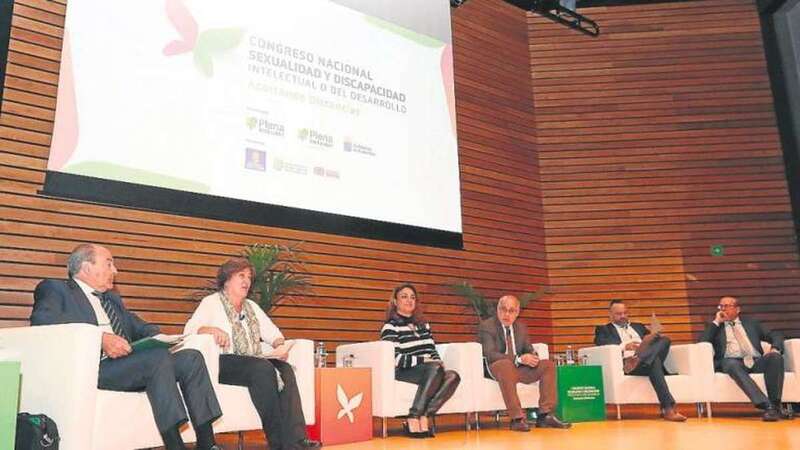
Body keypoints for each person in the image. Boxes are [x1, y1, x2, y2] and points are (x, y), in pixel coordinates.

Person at [30, 244, 223, 450]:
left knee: (191, 357)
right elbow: (43, 322)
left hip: (129, 364)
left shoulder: (111, 299)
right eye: (109, 264)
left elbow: (138, 326)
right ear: (86, 267)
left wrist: (163, 338)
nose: (115, 270)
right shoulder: (55, 289)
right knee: (157, 359)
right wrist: (100, 338)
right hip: (94, 368)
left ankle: (207, 444)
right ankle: (175, 445)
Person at [184, 258, 321, 450]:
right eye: (241, 276)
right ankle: (278, 443)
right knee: (262, 369)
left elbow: (273, 334)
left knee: (285, 369)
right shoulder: (211, 303)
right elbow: (189, 331)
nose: (246, 281)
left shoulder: (251, 307)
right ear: (227, 280)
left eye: (249, 277)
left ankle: (297, 440)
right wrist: (210, 329)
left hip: (252, 361)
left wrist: (280, 346)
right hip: (222, 361)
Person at [379, 283, 461, 438]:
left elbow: (432, 350)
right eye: (404, 297)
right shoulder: (390, 327)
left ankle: (425, 415)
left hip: (428, 369)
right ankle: (413, 416)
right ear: (395, 302)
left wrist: (436, 360)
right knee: (434, 368)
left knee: (453, 376)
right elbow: (395, 359)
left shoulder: (423, 325)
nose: (409, 300)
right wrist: (424, 360)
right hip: (403, 370)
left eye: (412, 297)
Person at [478, 295, 571, 431]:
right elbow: (490, 354)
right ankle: (517, 418)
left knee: (548, 365)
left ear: (517, 313)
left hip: (518, 369)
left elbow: (527, 349)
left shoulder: (520, 328)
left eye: (511, 311)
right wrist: (519, 359)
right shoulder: (487, 326)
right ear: (497, 309)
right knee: (505, 365)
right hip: (497, 368)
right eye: (503, 309)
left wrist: (532, 356)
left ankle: (545, 415)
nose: (506, 314)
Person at [699, 296, 791, 421]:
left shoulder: (751, 323)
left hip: (756, 361)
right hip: (732, 362)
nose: (723, 309)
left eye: (727, 306)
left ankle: (775, 405)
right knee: (731, 364)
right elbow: (702, 343)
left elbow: (775, 334)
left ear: (738, 309)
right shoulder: (715, 327)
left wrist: (775, 348)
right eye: (721, 306)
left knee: (775, 357)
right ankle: (766, 405)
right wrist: (716, 322)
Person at [593, 300, 686, 421]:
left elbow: (654, 341)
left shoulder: (639, 327)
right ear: (610, 314)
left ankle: (640, 357)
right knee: (654, 362)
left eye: (625, 313)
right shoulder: (603, 329)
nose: (623, 316)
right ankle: (668, 409)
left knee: (665, 340)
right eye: (619, 314)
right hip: (629, 365)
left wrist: (648, 342)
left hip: (642, 360)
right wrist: (624, 346)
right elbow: (600, 342)